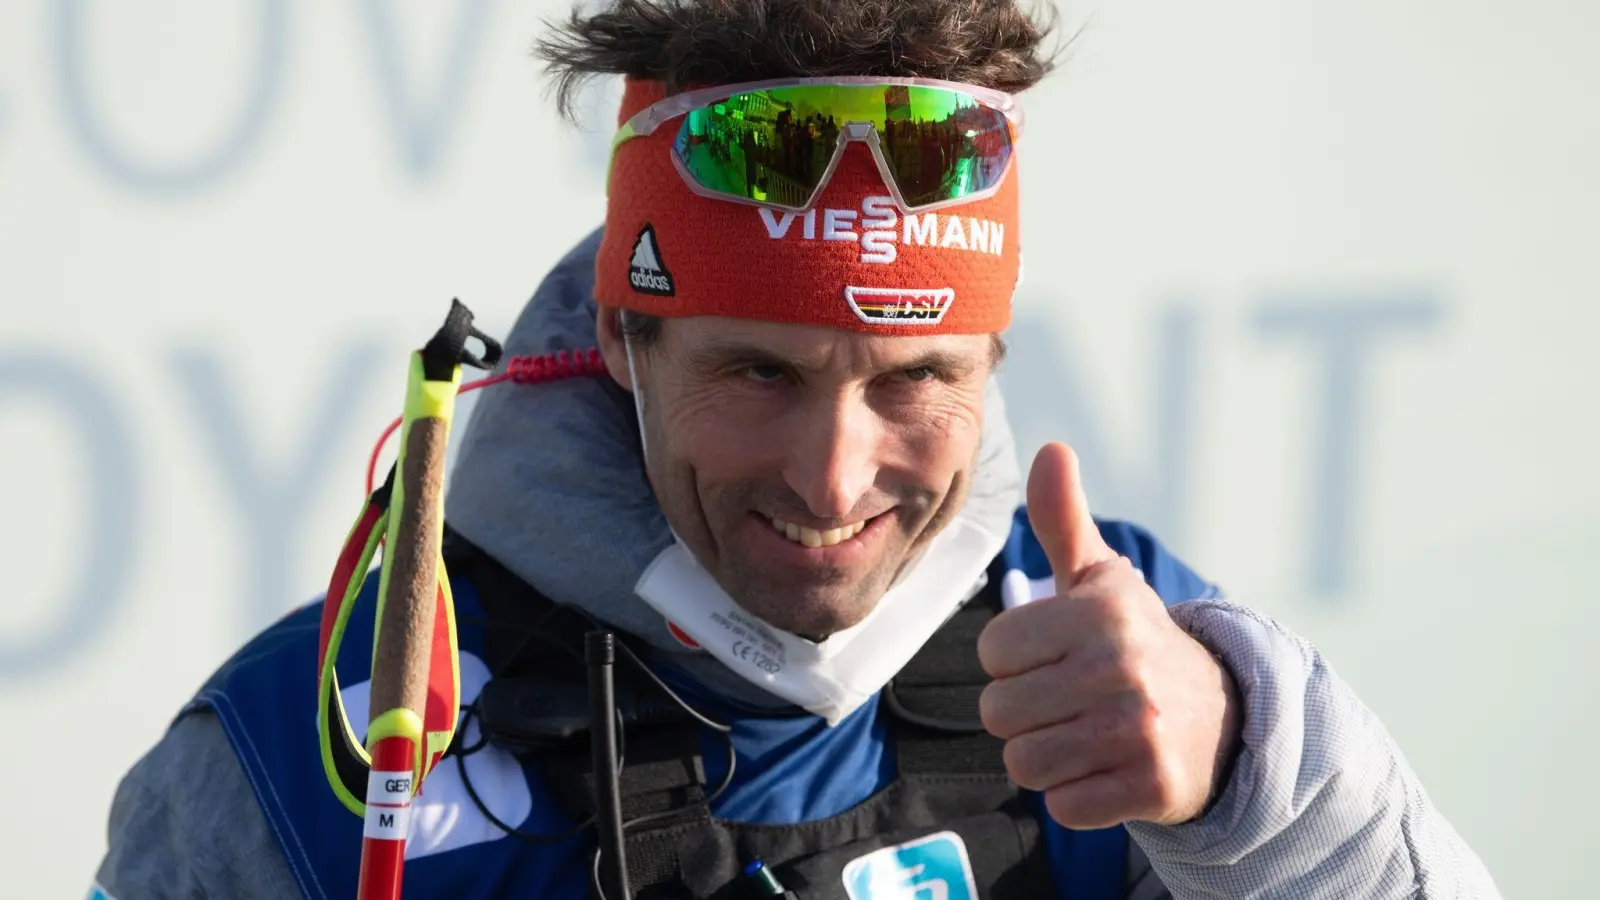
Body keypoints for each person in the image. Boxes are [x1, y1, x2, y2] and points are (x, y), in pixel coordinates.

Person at [92, 0, 1502, 897]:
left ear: (994, 360)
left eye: (915, 379)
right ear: (622, 338)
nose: (834, 479)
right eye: (757, 370)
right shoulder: (310, 756)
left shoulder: (1122, 664)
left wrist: (1262, 783)